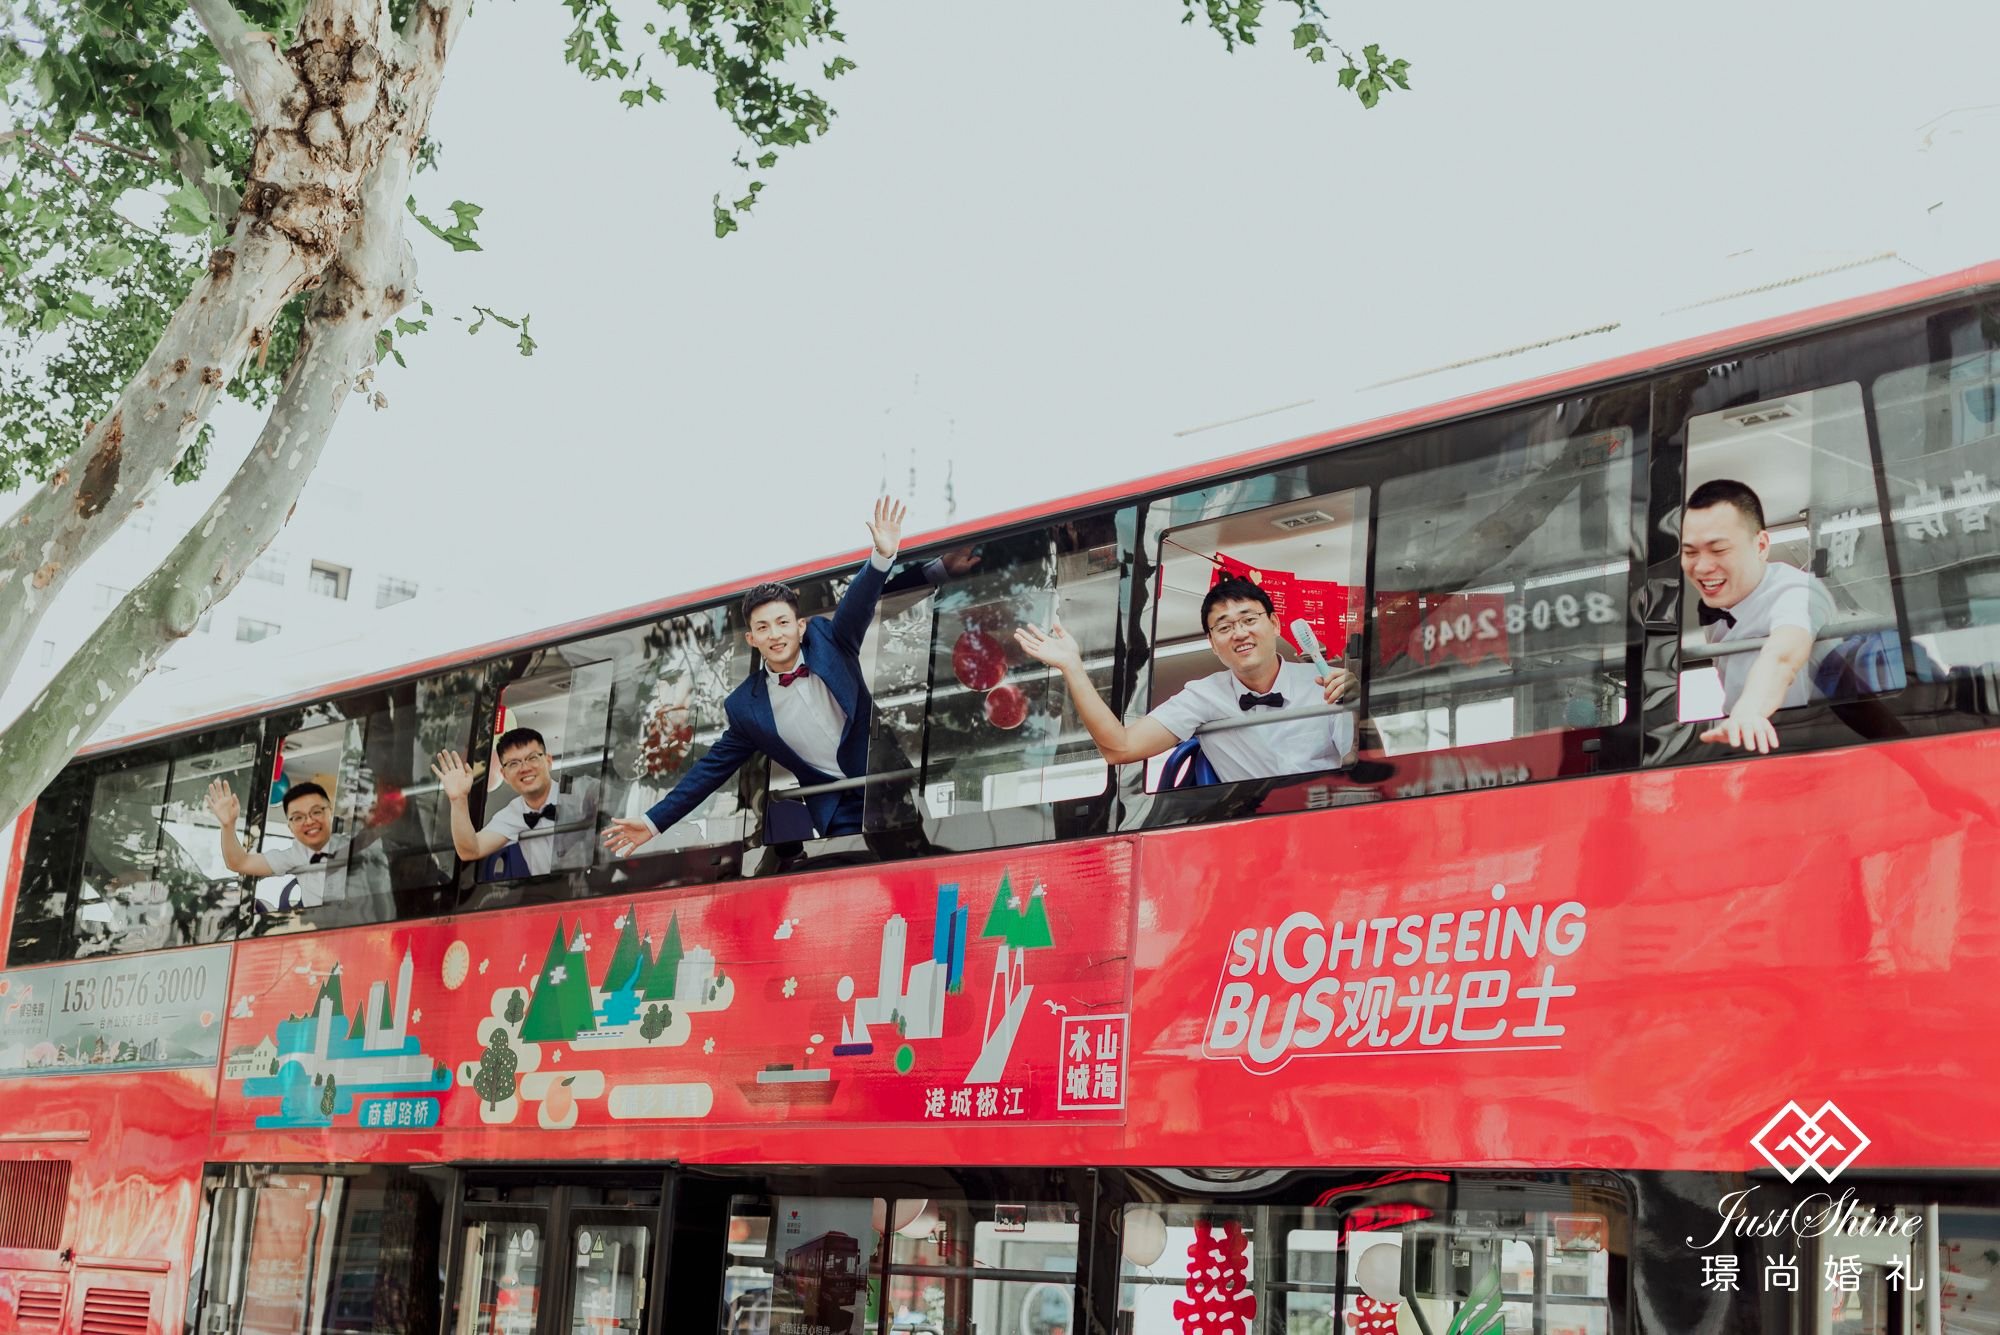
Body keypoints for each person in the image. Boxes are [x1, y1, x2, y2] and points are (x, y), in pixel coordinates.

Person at [602, 498, 909, 855]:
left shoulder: (831, 642)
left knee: (915, 864)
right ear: (752, 639)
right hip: (836, 806)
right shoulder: (746, 709)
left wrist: (881, 558)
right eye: (763, 628)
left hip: (890, 783)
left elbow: (857, 605)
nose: (775, 635)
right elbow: (709, 772)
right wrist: (653, 822)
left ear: (800, 626)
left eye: (782, 623)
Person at [1013, 574, 1358, 782]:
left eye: (1249, 619)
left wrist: (1358, 706)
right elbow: (1121, 748)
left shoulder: (1326, 683)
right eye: (1224, 626)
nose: (1239, 633)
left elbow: (1361, 763)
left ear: (1275, 624)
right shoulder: (1203, 696)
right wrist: (1072, 667)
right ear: (1212, 643)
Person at [1681, 478, 1835, 754]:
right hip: (1747, 743)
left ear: (1761, 546)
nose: (1701, 567)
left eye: (1719, 550)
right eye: (1690, 552)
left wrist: (1749, 711)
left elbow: (1782, 656)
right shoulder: (1719, 603)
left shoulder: (1797, 590)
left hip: (1811, 746)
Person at [205, 778, 386, 924]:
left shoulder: (364, 845)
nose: (309, 821)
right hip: (323, 937)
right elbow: (239, 862)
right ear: (290, 827)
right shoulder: (295, 855)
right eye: (298, 817)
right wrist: (227, 825)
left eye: (316, 812)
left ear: (330, 813)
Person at [432, 727, 599, 877]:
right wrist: (458, 799)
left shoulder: (581, 789)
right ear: (504, 775)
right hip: (552, 896)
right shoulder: (512, 814)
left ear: (548, 761)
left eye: (532, 758)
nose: (524, 768)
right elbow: (470, 850)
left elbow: (610, 805)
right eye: (513, 763)